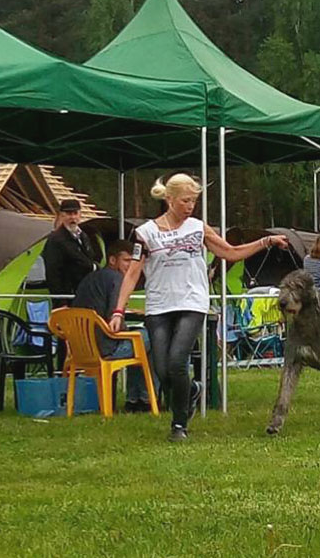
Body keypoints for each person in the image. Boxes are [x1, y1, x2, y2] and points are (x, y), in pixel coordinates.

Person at [109, 173, 288, 442]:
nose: (190, 206)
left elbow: (230, 252)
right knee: (162, 369)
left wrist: (266, 241)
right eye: (185, 201)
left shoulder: (198, 227)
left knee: (177, 360)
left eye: (193, 201)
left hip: (192, 302)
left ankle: (179, 425)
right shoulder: (145, 234)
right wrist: (118, 311)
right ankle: (191, 390)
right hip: (159, 305)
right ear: (169, 199)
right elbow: (133, 274)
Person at [71, 240, 156, 413]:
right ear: (112, 260)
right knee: (152, 336)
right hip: (106, 348)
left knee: (139, 341)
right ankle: (143, 399)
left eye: (133, 261)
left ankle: (136, 400)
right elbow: (113, 319)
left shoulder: (90, 279)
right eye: (126, 260)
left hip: (80, 349)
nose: (131, 265)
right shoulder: (116, 279)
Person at [42, 199, 100, 369]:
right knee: (66, 337)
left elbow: (90, 258)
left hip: (84, 294)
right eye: (68, 214)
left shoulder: (83, 235)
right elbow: (52, 273)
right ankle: (63, 373)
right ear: (61, 215)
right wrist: (61, 301)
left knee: (84, 334)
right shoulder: (55, 239)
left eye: (75, 213)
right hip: (66, 296)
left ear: (80, 214)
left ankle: (84, 369)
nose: (72, 218)